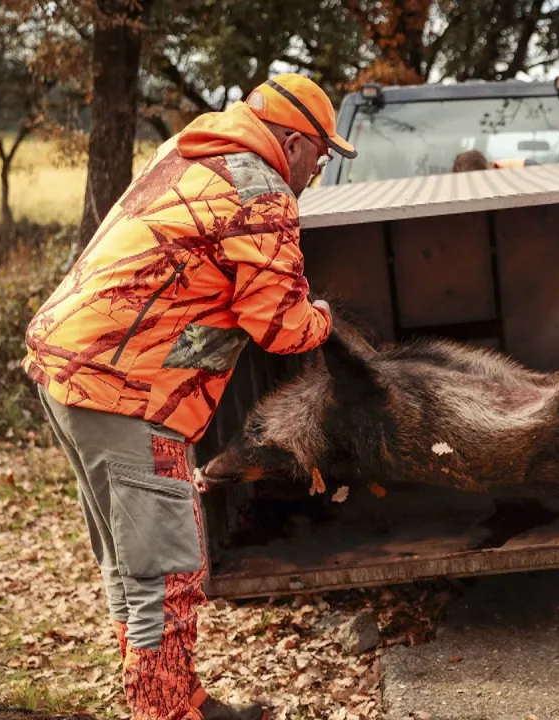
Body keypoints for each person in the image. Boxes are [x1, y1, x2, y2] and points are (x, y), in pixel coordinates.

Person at [22, 73, 356, 720]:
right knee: (166, 570)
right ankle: (164, 710)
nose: (317, 172)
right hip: (128, 387)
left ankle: (174, 695)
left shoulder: (189, 152)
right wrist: (325, 317)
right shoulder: (261, 191)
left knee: (131, 562)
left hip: (71, 368)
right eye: (320, 156)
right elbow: (279, 325)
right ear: (292, 142)